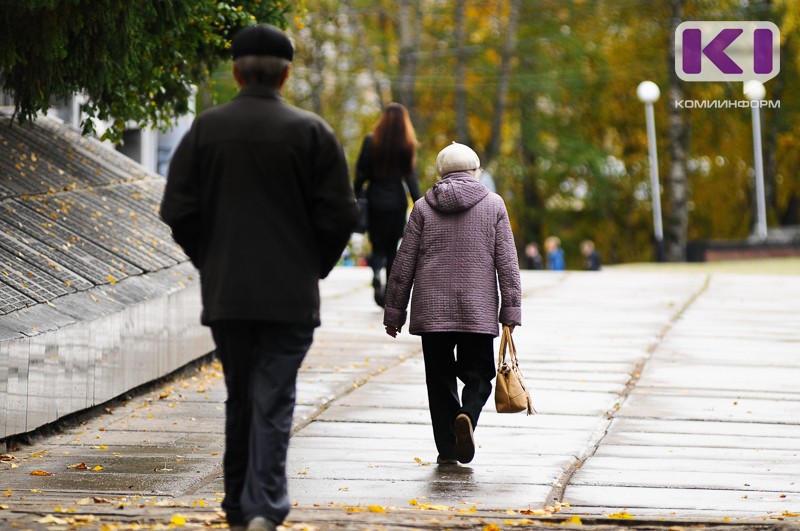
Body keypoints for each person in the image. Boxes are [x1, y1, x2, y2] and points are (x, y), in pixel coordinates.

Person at [160, 24, 358, 531]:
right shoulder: (312, 133)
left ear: (235, 71)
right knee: (273, 397)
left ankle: (236, 506)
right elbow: (339, 215)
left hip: (229, 294)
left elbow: (178, 208)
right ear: (286, 75)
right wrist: (310, 266)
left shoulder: (206, 130)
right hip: (289, 296)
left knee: (242, 395)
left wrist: (212, 257)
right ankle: (263, 507)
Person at [383, 142, 521, 466]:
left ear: (440, 174)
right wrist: (510, 311)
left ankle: (447, 450)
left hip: (432, 311)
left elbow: (404, 264)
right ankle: (468, 415)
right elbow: (508, 263)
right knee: (479, 375)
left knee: (439, 380)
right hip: (477, 307)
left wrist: (394, 312)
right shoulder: (494, 205)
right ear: (476, 172)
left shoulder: (421, 207)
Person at [353, 103, 421, 308]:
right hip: (396, 202)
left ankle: (375, 273)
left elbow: (360, 174)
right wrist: (420, 204)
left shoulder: (370, 141)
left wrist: (355, 196)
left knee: (377, 243)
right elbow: (410, 179)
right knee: (393, 247)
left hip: (375, 200)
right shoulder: (406, 144)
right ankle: (389, 294)